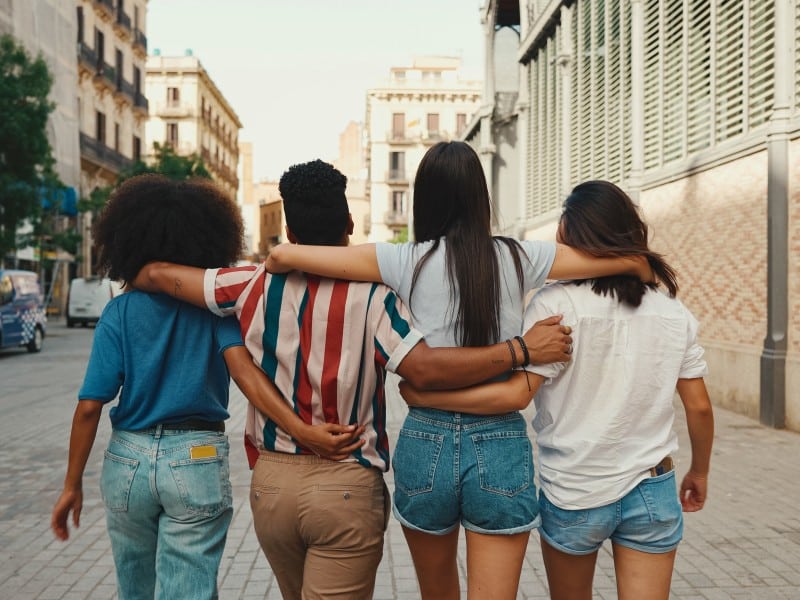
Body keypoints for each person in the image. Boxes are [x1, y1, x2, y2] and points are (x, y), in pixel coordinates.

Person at [132, 159, 573, 600]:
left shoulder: (249, 284)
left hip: (272, 486)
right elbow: (423, 366)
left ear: (289, 232)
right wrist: (521, 350)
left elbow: (156, 275)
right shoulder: (377, 296)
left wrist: (139, 276)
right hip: (347, 484)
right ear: (349, 223)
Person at [265, 143, 658, 599]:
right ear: (480, 197)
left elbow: (285, 258)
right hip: (500, 442)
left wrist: (280, 256)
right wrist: (637, 264)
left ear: (423, 199)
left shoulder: (401, 259)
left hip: (424, 440)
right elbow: (614, 262)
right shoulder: (520, 257)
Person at [399, 180, 715, 600]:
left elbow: (514, 397)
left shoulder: (554, 306)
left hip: (576, 490)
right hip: (653, 488)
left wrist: (428, 397)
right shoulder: (674, 312)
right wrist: (700, 472)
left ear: (573, 238)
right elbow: (699, 407)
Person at [50, 175, 321, 600]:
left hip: (128, 462)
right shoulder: (213, 311)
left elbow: (89, 407)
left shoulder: (119, 312)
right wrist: (298, 427)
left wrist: (71, 484)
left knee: (133, 588)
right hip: (195, 456)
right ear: (210, 239)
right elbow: (246, 377)